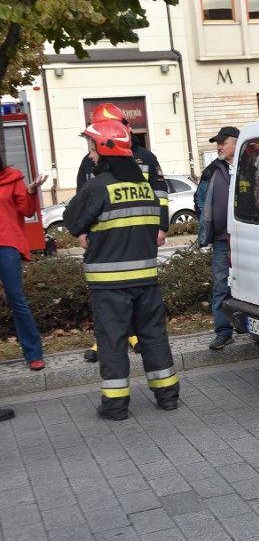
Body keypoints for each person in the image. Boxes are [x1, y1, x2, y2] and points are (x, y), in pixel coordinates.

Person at [63, 119, 180, 420]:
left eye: (91, 149)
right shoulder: (144, 187)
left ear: (104, 150)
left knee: (112, 342)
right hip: (145, 279)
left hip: (109, 283)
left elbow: (72, 220)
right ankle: (167, 396)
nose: (90, 156)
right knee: (154, 336)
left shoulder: (97, 187)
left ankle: (115, 407)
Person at [78, 103, 168, 362]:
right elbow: (82, 197)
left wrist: (160, 226)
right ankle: (107, 340)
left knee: (130, 289)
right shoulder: (90, 161)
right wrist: (83, 230)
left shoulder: (146, 158)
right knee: (110, 292)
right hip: (105, 234)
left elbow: (159, 193)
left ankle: (132, 335)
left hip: (139, 233)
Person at [0, 154, 48, 372]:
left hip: (6, 245)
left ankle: (34, 354)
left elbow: (27, 211)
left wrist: (30, 190)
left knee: (16, 299)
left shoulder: (12, 178)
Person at [196, 126, 239, 350]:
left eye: (223, 142)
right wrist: (206, 217)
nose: (219, 147)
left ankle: (257, 329)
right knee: (221, 285)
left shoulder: (253, 166)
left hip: (250, 240)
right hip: (222, 240)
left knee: (251, 286)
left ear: (237, 143)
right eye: (217, 144)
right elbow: (200, 198)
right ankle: (224, 332)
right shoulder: (212, 170)